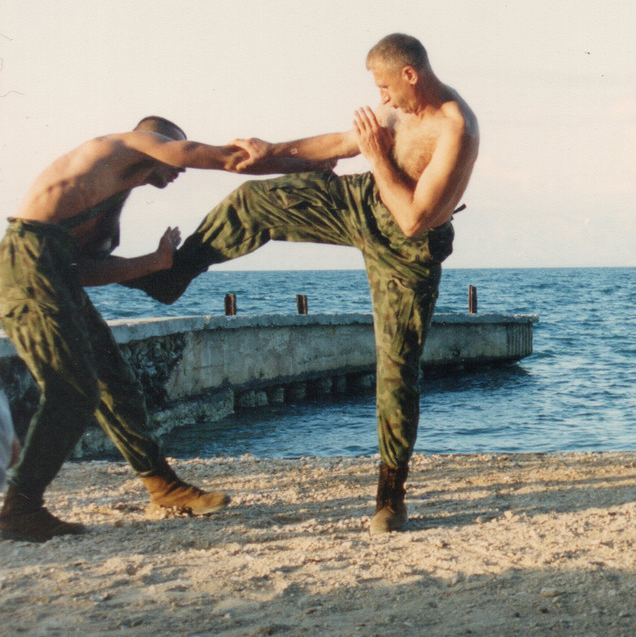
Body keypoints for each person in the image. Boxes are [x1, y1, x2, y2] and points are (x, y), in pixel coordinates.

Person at [126, 33, 480, 534]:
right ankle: (174, 277)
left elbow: (413, 219)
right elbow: (337, 145)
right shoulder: (397, 109)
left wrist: (377, 157)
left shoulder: (457, 129)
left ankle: (390, 495)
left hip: (408, 244)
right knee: (253, 203)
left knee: (397, 368)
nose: (380, 98)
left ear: (410, 75)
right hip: (363, 202)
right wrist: (273, 150)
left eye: (384, 87)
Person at [0, 116, 324, 542]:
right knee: (72, 390)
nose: (181, 167)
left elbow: (81, 270)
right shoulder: (123, 145)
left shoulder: (110, 193)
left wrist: (153, 263)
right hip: (27, 266)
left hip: (51, 272)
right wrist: (309, 165)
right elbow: (226, 158)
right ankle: (20, 509)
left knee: (117, 383)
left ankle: (163, 486)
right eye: (176, 150)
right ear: (156, 141)